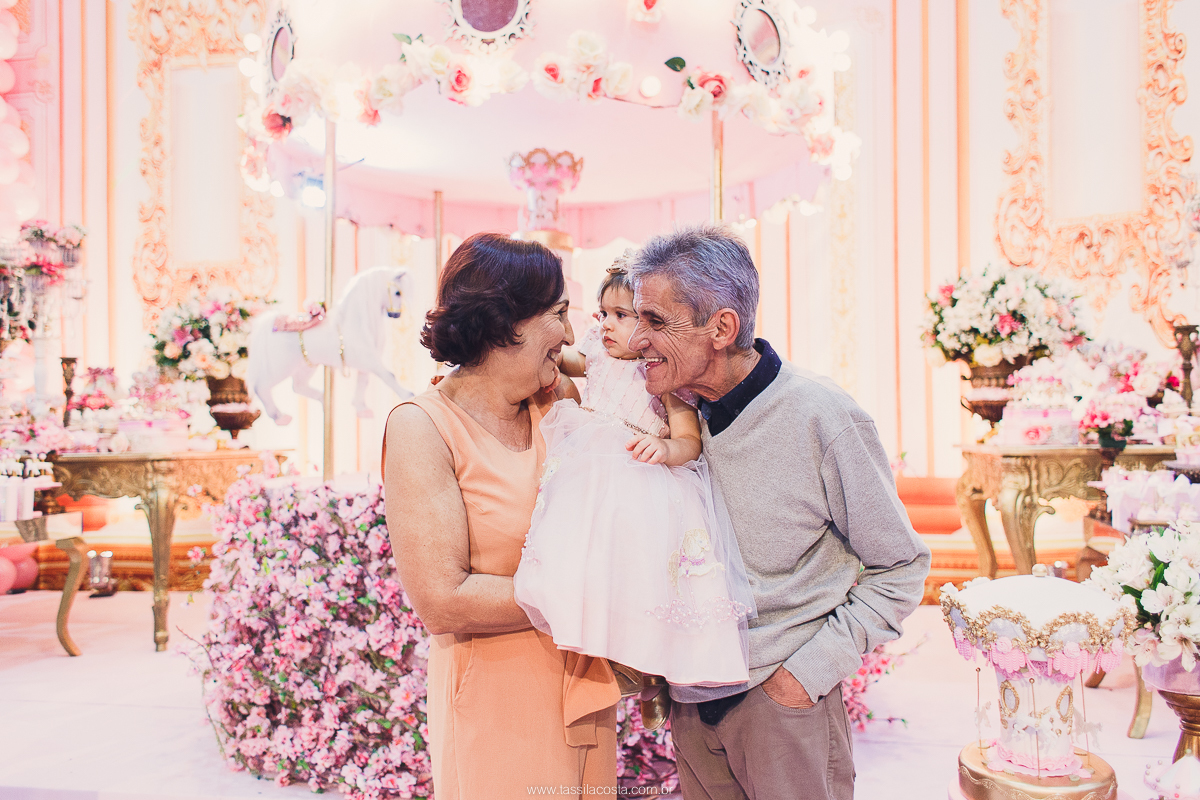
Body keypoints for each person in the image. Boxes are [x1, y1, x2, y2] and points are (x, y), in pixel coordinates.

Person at [626, 224, 931, 800]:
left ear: (721, 328)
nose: (637, 338)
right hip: (691, 703)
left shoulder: (823, 417)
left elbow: (901, 568)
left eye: (655, 321)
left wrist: (801, 678)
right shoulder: (666, 417)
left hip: (782, 702)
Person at [382, 233, 619, 800]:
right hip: (495, 702)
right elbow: (443, 598)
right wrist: (588, 592)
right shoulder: (421, 426)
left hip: (583, 685)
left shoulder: (557, 397)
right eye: (559, 313)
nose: (569, 333)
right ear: (506, 322)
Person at [513, 256, 756, 726]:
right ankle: (608, 652)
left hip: (642, 479)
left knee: (646, 577)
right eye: (603, 314)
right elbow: (556, 357)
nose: (607, 325)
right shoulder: (597, 357)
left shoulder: (659, 376)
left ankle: (652, 673)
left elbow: (689, 441)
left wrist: (663, 449)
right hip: (592, 475)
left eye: (623, 316)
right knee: (592, 565)